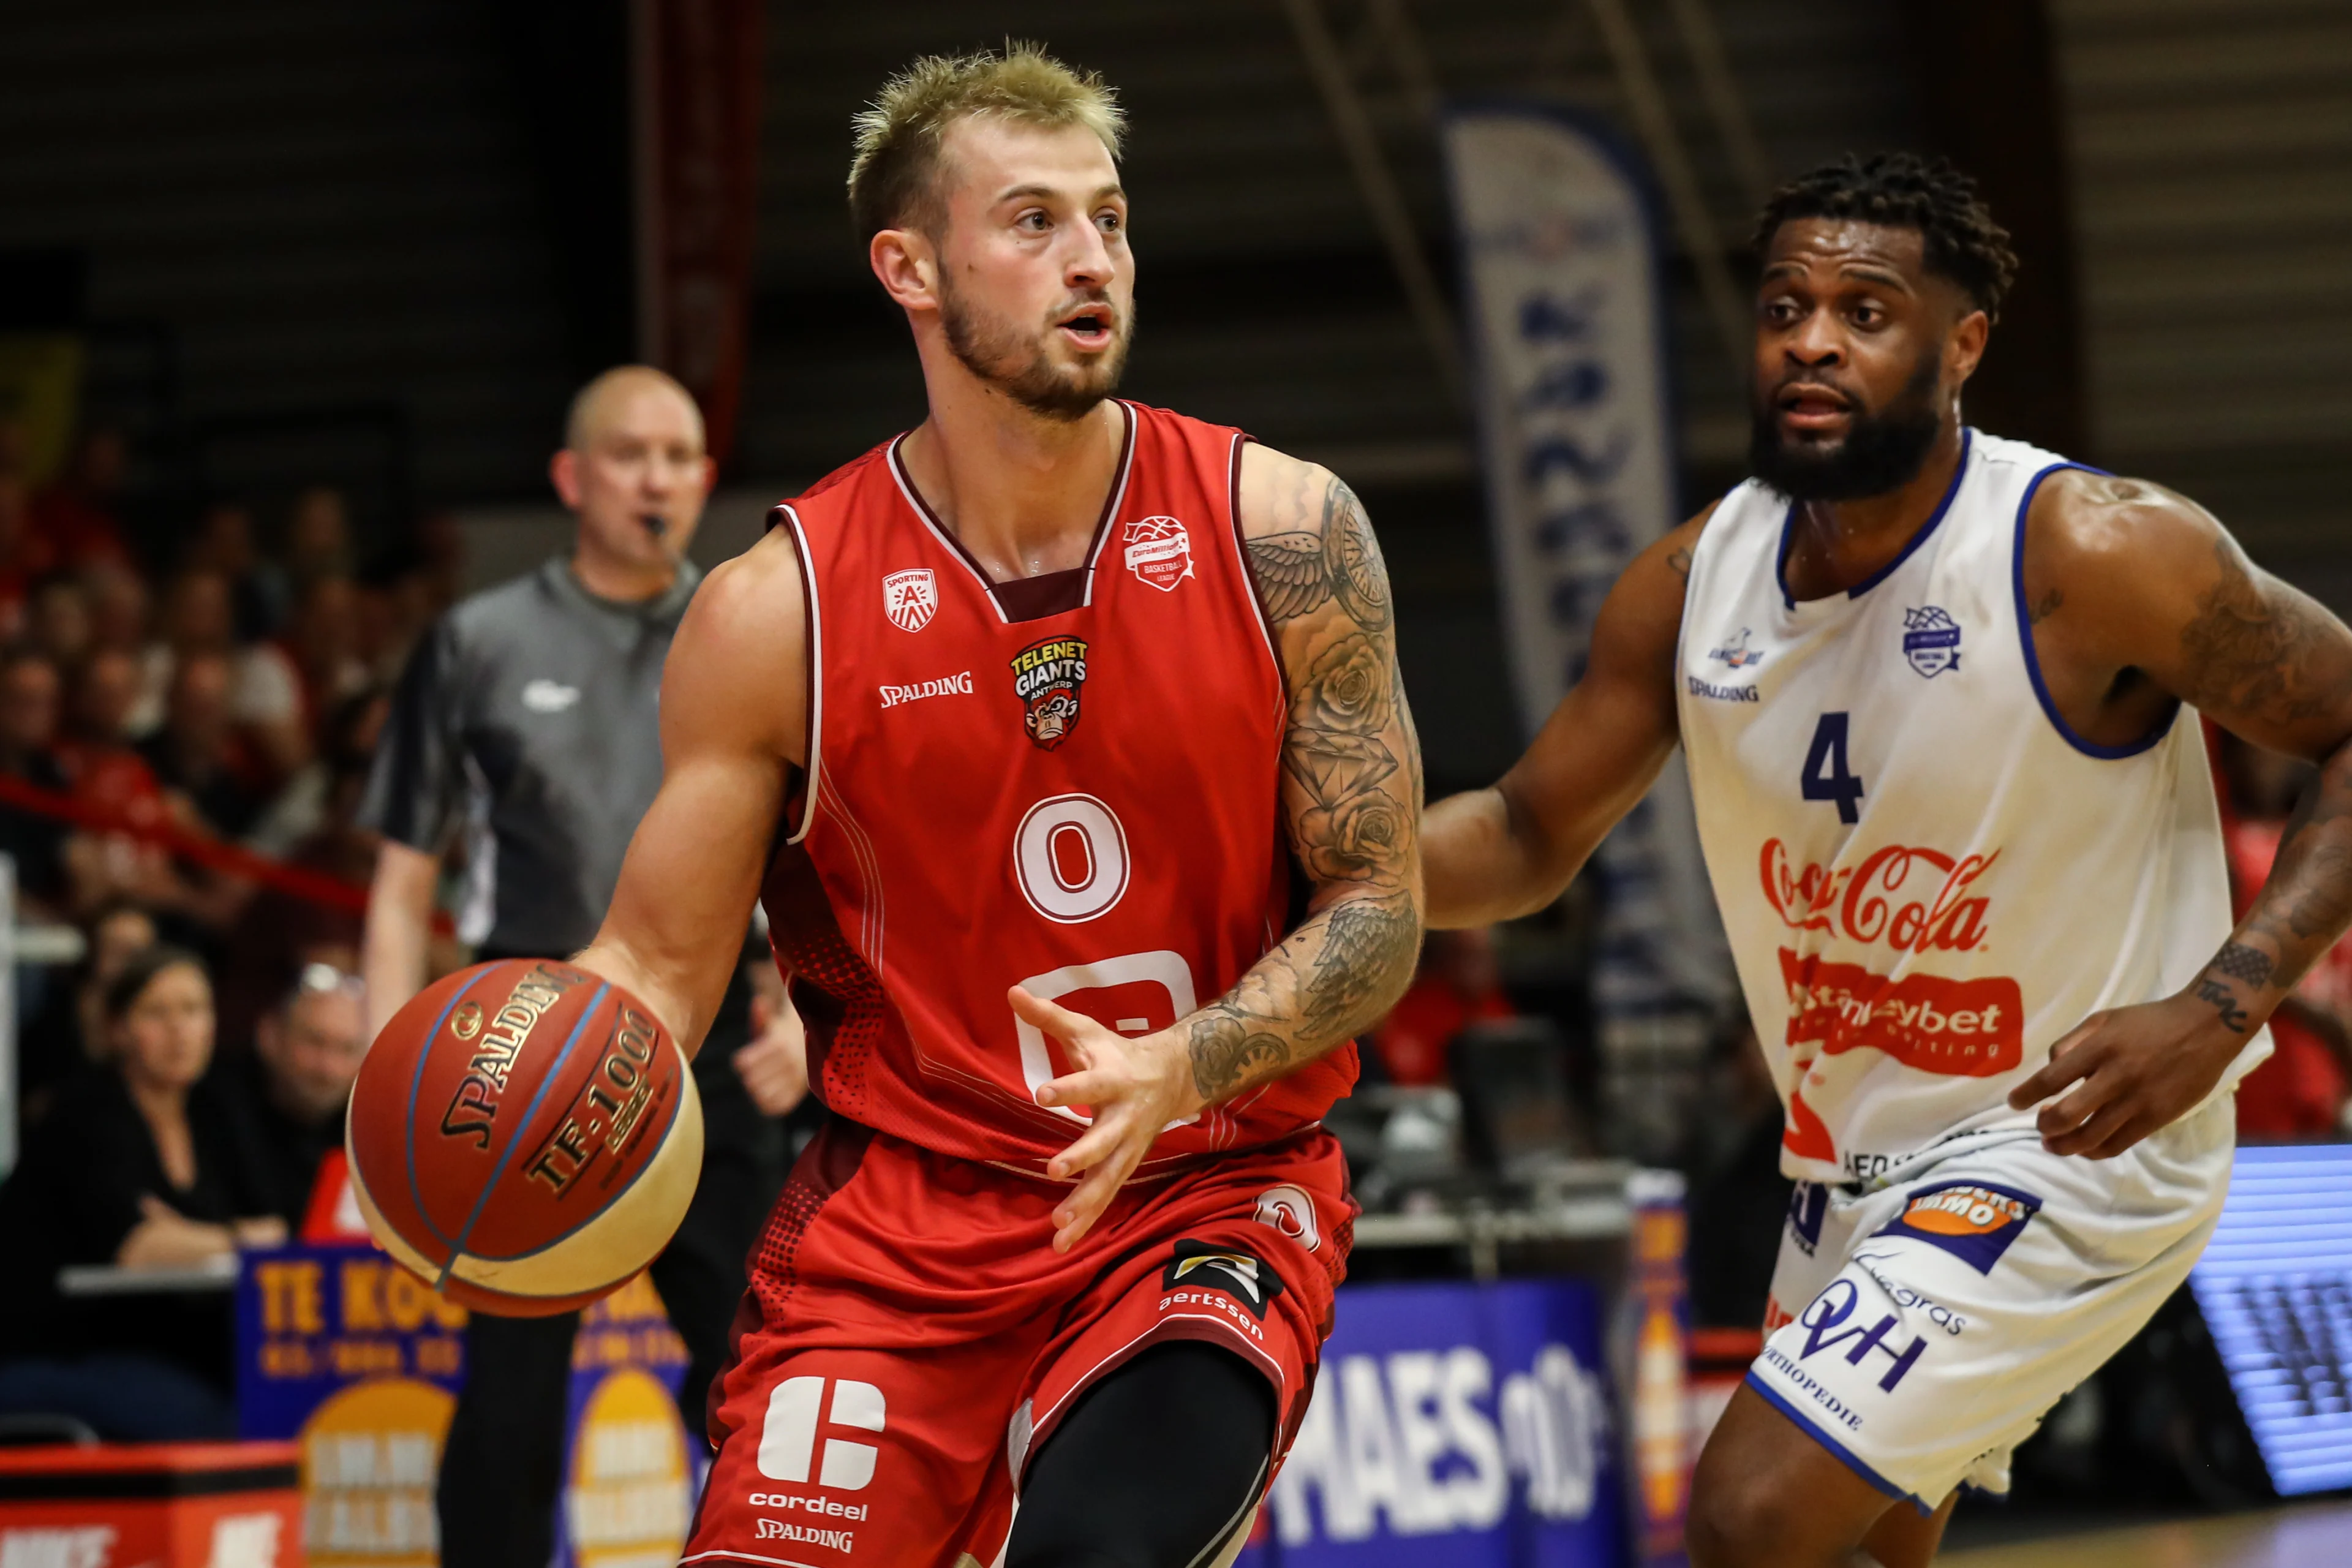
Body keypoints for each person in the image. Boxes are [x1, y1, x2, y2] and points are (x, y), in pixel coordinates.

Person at [533, 47, 1423, 1568]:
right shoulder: (778, 610)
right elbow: (654, 969)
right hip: (903, 1228)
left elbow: (1379, 906)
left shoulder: (1284, 526)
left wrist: (1188, 1056)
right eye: (1031, 221)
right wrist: (508, 1095)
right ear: (910, 266)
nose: (1090, 259)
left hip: (1200, 1189)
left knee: (1098, 1547)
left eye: (1110, 219)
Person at [1417, 150, 2352, 1568]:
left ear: (1959, 343)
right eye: (1785, 303)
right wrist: (1316, 855)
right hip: (1845, 1161)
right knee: (1857, 1546)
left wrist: (2226, 1000)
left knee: (1746, 1513)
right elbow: (1528, 832)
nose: (1809, 336)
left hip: (2071, 1139)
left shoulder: (2091, 549)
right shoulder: (1687, 585)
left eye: (1865, 310)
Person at [359, 364, 796, 1568]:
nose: (657, 477)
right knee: (507, 1400)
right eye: (629, 453)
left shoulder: (757, 627)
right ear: (572, 476)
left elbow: (839, 859)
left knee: (759, 1377)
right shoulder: (477, 641)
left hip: (708, 1052)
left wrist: (807, 1018)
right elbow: (403, 887)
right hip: (517, 1048)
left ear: (707, 479)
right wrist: (382, 1087)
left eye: (680, 456)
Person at [0, 945, 285, 1439]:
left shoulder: (216, 1110)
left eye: (194, 1010)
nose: (180, 1030)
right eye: (157, 1012)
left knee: (299, 1394)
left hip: (173, 1348)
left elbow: (280, 1227)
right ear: (118, 1029)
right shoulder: (86, 1114)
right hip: (63, 1349)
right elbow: (139, 1250)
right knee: (221, 1421)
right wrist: (235, 1235)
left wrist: (193, 1236)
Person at [217, 961, 369, 1230]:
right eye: (315, 1042)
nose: (328, 1068)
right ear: (269, 1037)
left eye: (347, 1049)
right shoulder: (218, 1111)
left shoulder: (371, 1127)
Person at [1370, 925, 1517, 1086]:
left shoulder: (1498, 1008)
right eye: (1466, 955)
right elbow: (1407, 1071)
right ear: (1446, 957)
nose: (1475, 968)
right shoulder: (1417, 1006)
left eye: (1483, 956)